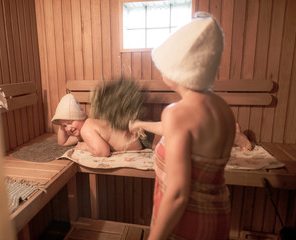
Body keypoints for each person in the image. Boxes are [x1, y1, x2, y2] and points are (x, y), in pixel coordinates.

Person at [129, 13, 235, 240]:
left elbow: (177, 194)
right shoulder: (222, 108)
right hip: (217, 219)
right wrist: (141, 123)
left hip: (186, 224)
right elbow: (177, 133)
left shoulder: (177, 113)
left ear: (179, 68)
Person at [51, 93, 150, 157]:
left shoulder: (86, 129)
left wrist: (86, 147)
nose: (68, 128)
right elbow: (62, 142)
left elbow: (103, 152)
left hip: (145, 136)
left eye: (70, 122)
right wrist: (61, 123)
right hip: (144, 136)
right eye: (64, 126)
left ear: (80, 117)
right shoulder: (83, 130)